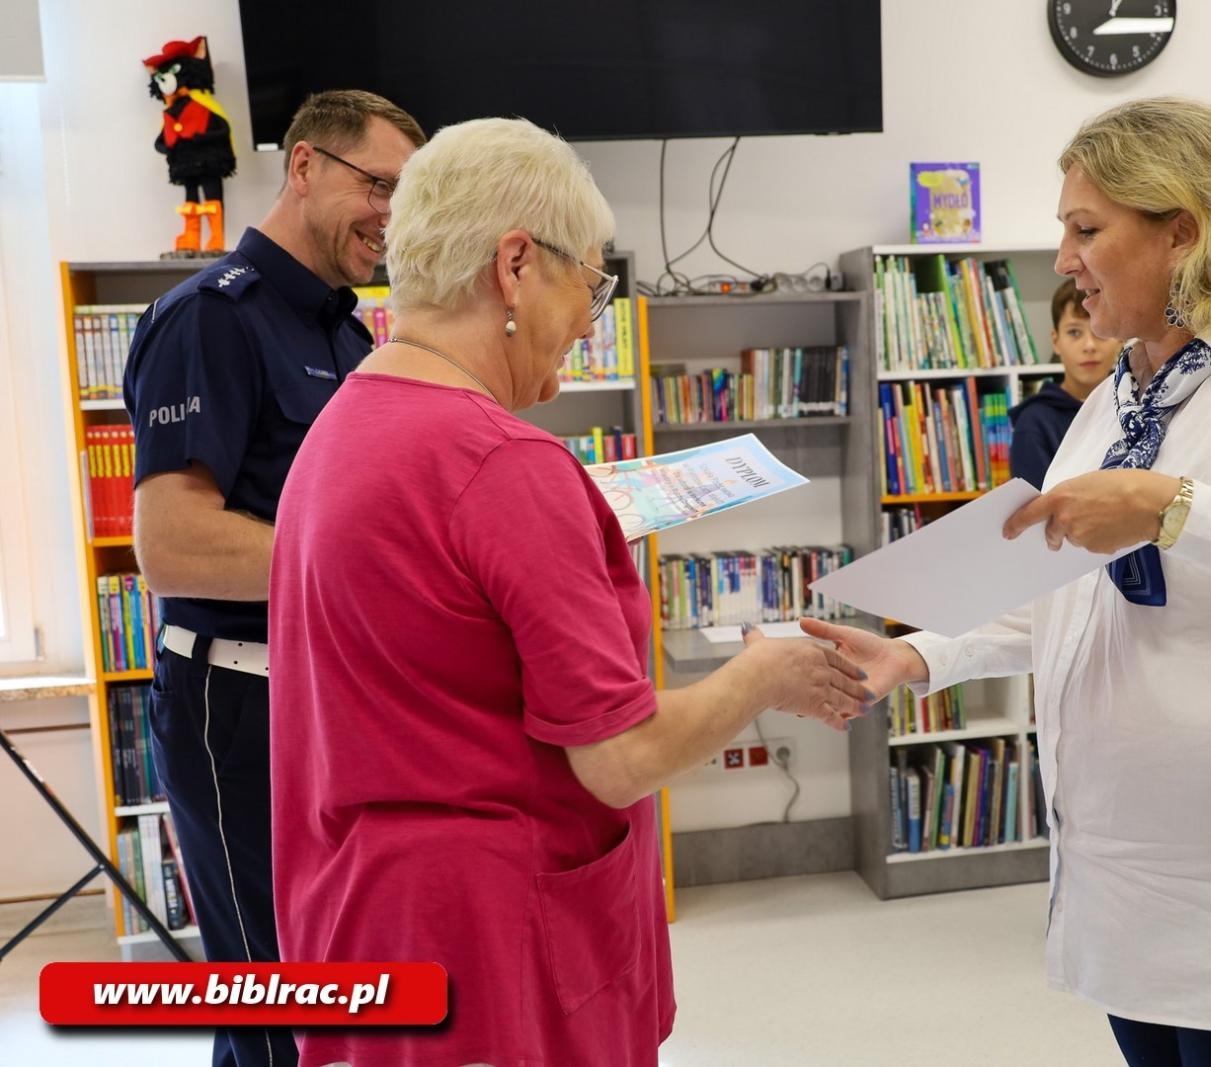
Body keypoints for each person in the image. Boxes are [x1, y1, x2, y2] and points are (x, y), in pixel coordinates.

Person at [802, 97, 1211, 1066]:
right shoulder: (1123, 393)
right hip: (1133, 892)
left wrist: (1178, 508)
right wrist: (917, 653)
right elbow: (1063, 587)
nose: (1063, 259)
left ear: (1183, 231)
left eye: (1085, 229)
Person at [267, 117, 873, 1067]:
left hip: (367, 924)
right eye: (591, 286)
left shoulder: (344, 426)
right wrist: (761, 676)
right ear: (515, 265)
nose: (591, 322)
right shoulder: (504, 462)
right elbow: (619, 757)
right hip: (493, 954)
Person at [123, 89, 425, 1067]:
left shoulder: (347, 334)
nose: (391, 214)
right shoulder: (208, 321)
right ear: (303, 167)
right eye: (377, 184)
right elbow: (171, 546)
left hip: (331, 691)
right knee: (279, 1004)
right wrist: (367, 566)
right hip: (236, 703)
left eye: (405, 198)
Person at [1009, 279, 1123, 488]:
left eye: (1099, 332)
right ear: (1056, 342)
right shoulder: (1034, 422)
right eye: (1074, 332)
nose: (1089, 346)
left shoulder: (1138, 408)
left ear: (1119, 339)